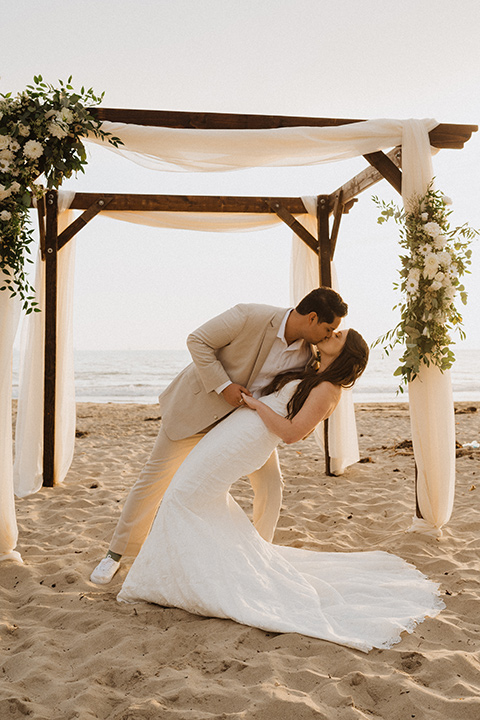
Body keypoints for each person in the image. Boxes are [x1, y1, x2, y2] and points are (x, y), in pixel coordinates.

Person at [116, 328, 444, 652]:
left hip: (251, 437)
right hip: (239, 427)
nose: (334, 333)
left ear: (347, 354)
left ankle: (168, 579)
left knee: (183, 496)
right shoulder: (314, 371)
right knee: (190, 496)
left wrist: (257, 407)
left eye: (340, 336)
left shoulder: (328, 389)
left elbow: (292, 434)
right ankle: (187, 571)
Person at [90, 287, 348, 584]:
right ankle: (115, 555)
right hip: (197, 411)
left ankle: (259, 553)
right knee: (153, 480)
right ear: (312, 317)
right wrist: (224, 386)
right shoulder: (251, 314)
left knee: (271, 484)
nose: (329, 336)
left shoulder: (309, 355)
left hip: (245, 426)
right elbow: (197, 340)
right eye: (329, 329)